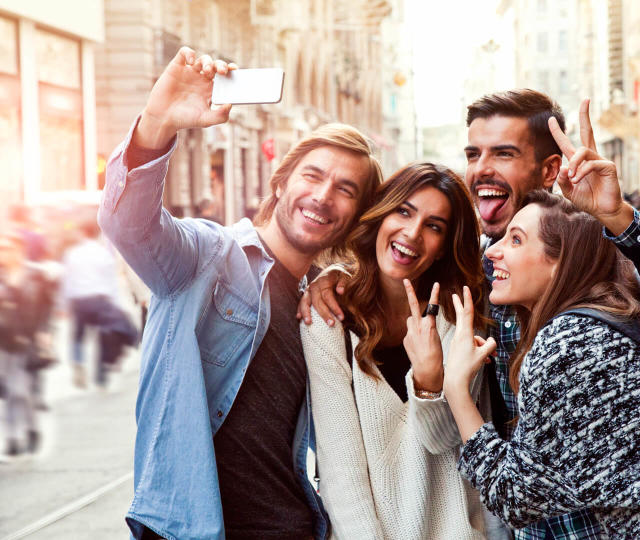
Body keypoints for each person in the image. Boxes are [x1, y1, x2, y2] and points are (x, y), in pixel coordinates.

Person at [302, 91, 640, 537]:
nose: (481, 168)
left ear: (548, 171)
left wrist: (617, 216)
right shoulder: (479, 280)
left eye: (503, 153)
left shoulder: (593, 265)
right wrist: (335, 276)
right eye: (473, 153)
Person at [99, 47, 383, 539]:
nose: (322, 196)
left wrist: (339, 276)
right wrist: (157, 124)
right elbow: (129, 225)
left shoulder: (329, 305)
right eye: (312, 176)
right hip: (194, 526)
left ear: (356, 215)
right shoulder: (209, 256)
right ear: (280, 182)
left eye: (345, 189)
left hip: (296, 526)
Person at [441, 144, 640, 537]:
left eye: (517, 240)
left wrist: (455, 388)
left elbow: (514, 497)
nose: (495, 253)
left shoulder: (569, 344)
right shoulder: (605, 318)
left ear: (560, 262)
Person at [303, 163, 492, 538]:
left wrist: (429, 382)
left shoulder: (459, 319)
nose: (412, 233)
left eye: (434, 226)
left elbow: (444, 441)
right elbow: (341, 470)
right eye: (403, 211)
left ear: (444, 248)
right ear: (380, 214)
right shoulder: (328, 317)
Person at [0, 233, 55, 456]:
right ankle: (14, 437)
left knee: (22, 391)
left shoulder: (35, 276)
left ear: (19, 250)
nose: (4, 253)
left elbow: (46, 306)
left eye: (8, 249)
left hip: (29, 340)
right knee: (10, 390)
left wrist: (44, 331)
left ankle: (28, 431)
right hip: (4, 340)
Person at [60, 220, 124, 389]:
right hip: (100, 300)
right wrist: (115, 304)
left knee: (78, 336)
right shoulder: (104, 254)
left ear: (82, 233)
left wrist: (65, 305)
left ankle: (78, 361)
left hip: (80, 300)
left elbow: (67, 281)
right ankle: (101, 377)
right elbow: (112, 282)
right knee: (103, 337)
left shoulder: (72, 253)